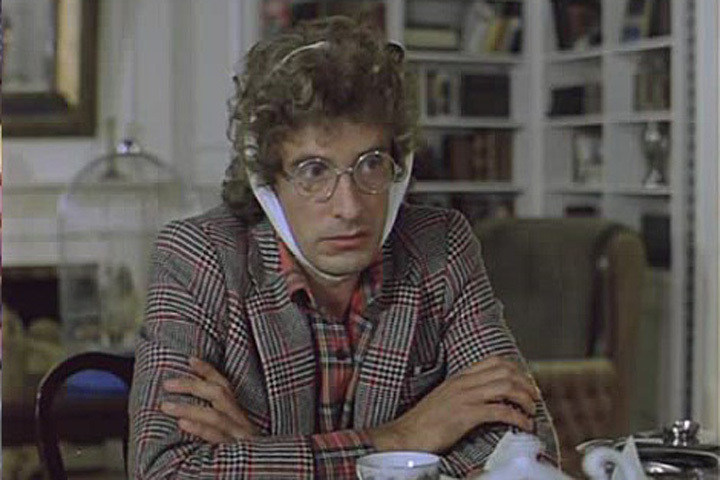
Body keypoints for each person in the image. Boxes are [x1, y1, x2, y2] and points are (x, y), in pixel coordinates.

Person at [129, 16, 558, 479]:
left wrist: (263, 455)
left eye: (371, 164)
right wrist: (400, 439)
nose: (350, 207)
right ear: (267, 181)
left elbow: (526, 450)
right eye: (314, 171)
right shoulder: (198, 256)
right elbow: (166, 471)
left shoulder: (442, 245)